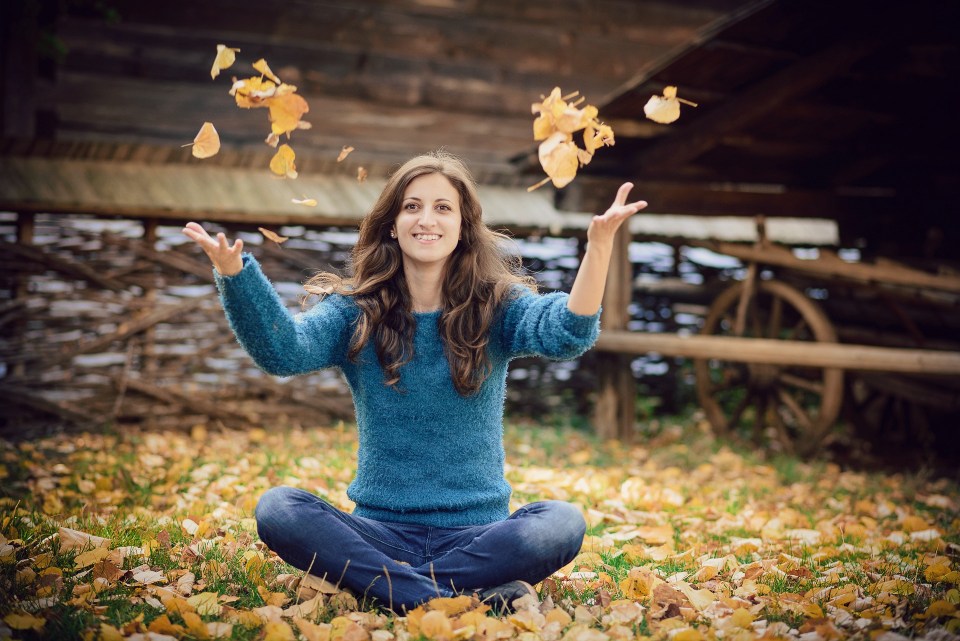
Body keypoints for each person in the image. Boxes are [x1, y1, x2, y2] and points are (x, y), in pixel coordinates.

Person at [182, 151, 646, 613]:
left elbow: (567, 332)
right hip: (379, 534)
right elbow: (285, 352)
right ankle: (450, 599)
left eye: (443, 207)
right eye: (412, 206)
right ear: (392, 223)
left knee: (560, 522)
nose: (427, 219)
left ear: (463, 226)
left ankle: (396, 591)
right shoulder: (355, 313)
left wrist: (599, 247)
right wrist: (236, 276)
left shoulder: (496, 308)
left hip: (478, 536)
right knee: (279, 509)